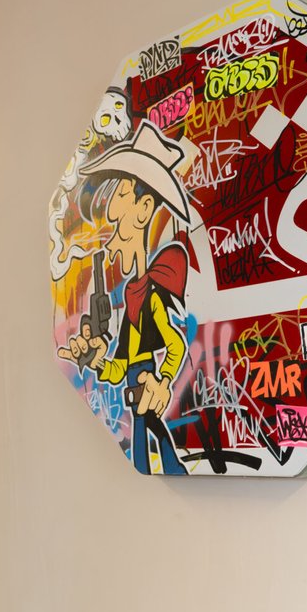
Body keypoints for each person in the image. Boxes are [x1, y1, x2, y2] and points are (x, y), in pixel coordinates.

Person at [58, 122, 193, 475]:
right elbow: (119, 367)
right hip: (135, 390)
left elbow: (175, 344)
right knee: (146, 446)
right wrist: (95, 360)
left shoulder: (150, 296)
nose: (111, 235)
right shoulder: (133, 297)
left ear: (144, 208)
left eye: (119, 198)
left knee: (154, 447)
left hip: (146, 387)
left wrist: (162, 381)